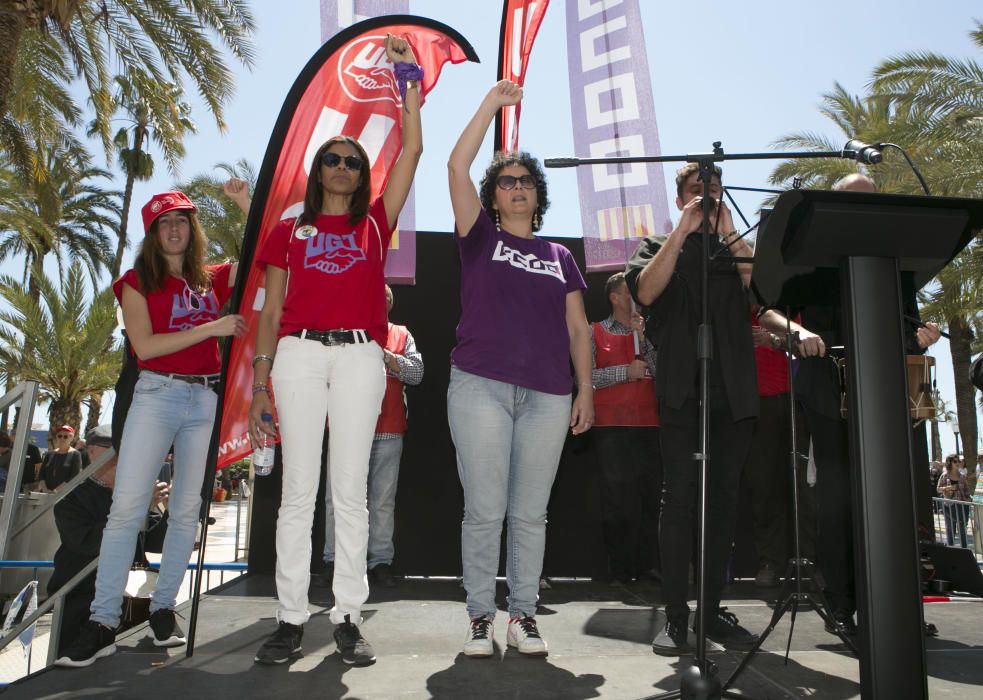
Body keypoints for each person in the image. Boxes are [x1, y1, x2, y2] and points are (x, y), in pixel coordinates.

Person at [249, 34, 423, 668]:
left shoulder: (377, 221)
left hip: (358, 358)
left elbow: (413, 152)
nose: (344, 168)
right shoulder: (289, 228)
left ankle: (347, 615)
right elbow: (269, 311)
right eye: (334, 160)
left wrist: (410, 83)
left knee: (350, 492)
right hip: (295, 357)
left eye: (353, 161)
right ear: (319, 169)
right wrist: (260, 382)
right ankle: (290, 617)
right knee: (299, 492)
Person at [625, 162, 821, 656]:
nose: (707, 197)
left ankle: (711, 612)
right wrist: (684, 231)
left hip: (734, 393)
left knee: (723, 504)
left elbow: (763, 294)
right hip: (680, 389)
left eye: (714, 190)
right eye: (697, 190)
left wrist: (730, 233)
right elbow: (646, 291)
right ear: (679, 199)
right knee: (680, 502)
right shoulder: (655, 246)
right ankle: (675, 618)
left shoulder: (736, 249)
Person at [54, 190, 243, 668]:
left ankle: (163, 610)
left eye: (181, 220)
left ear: (192, 228)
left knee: (186, 511)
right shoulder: (137, 282)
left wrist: (244, 203)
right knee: (127, 510)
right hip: (156, 394)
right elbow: (146, 345)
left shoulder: (211, 278)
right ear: (153, 234)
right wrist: (211, 329)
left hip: (204, 397)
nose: (174, 229)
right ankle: (103, 621)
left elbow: (263, 250)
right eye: (164, 223)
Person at [447, 80, 594, 658]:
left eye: (525, 182)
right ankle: (481, 617)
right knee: (484, 510)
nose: (516, 189)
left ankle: (523, 617)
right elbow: (456, 166)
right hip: (480, 385)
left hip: (550, 397)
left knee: (530, 514)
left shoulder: (559, 257)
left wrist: (585, 390)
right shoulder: (478, 238)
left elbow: (579, 330)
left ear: (537, 195)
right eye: (505, 182)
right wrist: (489, 105)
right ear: (493, 197)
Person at [794, 172, 941, 636]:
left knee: (892, 501)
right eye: (855, 202)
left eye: (871, 201)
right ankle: (840, 603)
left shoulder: (899, 263)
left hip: (886, 395)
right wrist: (800, 335)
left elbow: (905, 326)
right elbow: (779, 308)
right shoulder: (813, 262)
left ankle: (896, 606)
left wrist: (920, 336)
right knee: (838, 501)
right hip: (827, 389)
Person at [322, 284, 424, 588]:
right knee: (336, 499)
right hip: (345, 428)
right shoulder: (340, 332)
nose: (379, 303)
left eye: (385, 299)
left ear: (391, 304)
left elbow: (417, 373)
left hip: (389, 430)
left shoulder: (401, 335)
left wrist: (387, 358)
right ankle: (334, 560)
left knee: (382, 501)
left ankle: (380, 561)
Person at [47, 425, 169, 655]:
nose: (124, 457)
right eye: (115, 450)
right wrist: (139, 508)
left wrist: (172, 512)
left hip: (132, 602)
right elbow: (87, 543)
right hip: (81, 600)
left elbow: (156, 544)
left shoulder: (137, 495)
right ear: (91, 452)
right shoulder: (72, 498)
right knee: (71, 674)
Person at [589, 272, 661, 584]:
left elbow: (660, 371)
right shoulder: (594, 332)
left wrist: (643, 338)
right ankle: (617, 568)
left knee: (650, 499)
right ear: (614, 298)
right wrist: (625, 372)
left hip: (649, 424)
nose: (636, 297)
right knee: (616, 500)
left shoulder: (648, 333)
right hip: (612, 425)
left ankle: (646, 566)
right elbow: (588, 376)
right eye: (628, 292)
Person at [937, 454, 971, 548]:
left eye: (958, 461)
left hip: (962, 506)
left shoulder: (962, 476)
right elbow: (938, 489)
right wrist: (947, 488)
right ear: (950, 463)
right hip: (949, 506)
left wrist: (968, 500)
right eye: (955, 461)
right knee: (950, 529)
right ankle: (951, 551)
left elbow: (967, 491)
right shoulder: (944, 475)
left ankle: (964, 550)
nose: (957, 463)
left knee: (962, 530)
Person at [38, 425, 84, 492]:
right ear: (56, 437)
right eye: (59, 436)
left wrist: (56, 491)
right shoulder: (49, 454)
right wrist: (45, 490)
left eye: (65, 436)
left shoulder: (75, 454)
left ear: (71, 438)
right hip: (46, 494)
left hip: (64, 495)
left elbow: (74, 476)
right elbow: (41, 475)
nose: (62, 439)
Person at [10, 426, 42, 492]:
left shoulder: (33, 449)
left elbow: (39, 468)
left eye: (19, 433)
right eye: (14, 434)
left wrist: (37, 482)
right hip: (8, 485)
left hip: (27, 486)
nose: (16, 436)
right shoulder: (7, 449)